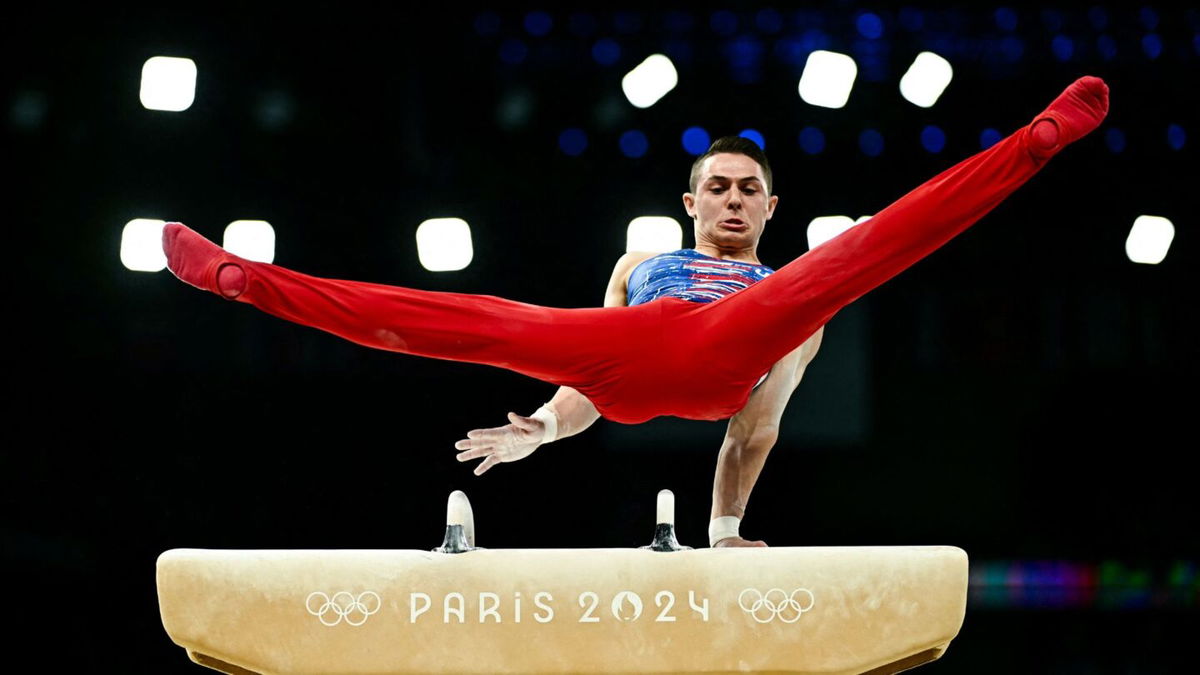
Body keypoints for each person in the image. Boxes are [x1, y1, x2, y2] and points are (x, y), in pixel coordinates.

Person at [162, 76, 1109, 547]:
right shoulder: (640, 260)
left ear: (769, 207)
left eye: (751, 189)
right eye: (719, 187)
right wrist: (540, 427)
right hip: (628, 356)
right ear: (689, 201)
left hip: (732, 352)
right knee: (480, 319)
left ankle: (1031, 145)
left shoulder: (785, 298)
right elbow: (590, 375)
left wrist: (725, 532)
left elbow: (756, 426)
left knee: (851, 258)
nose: (735, 199)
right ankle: (247, 279)